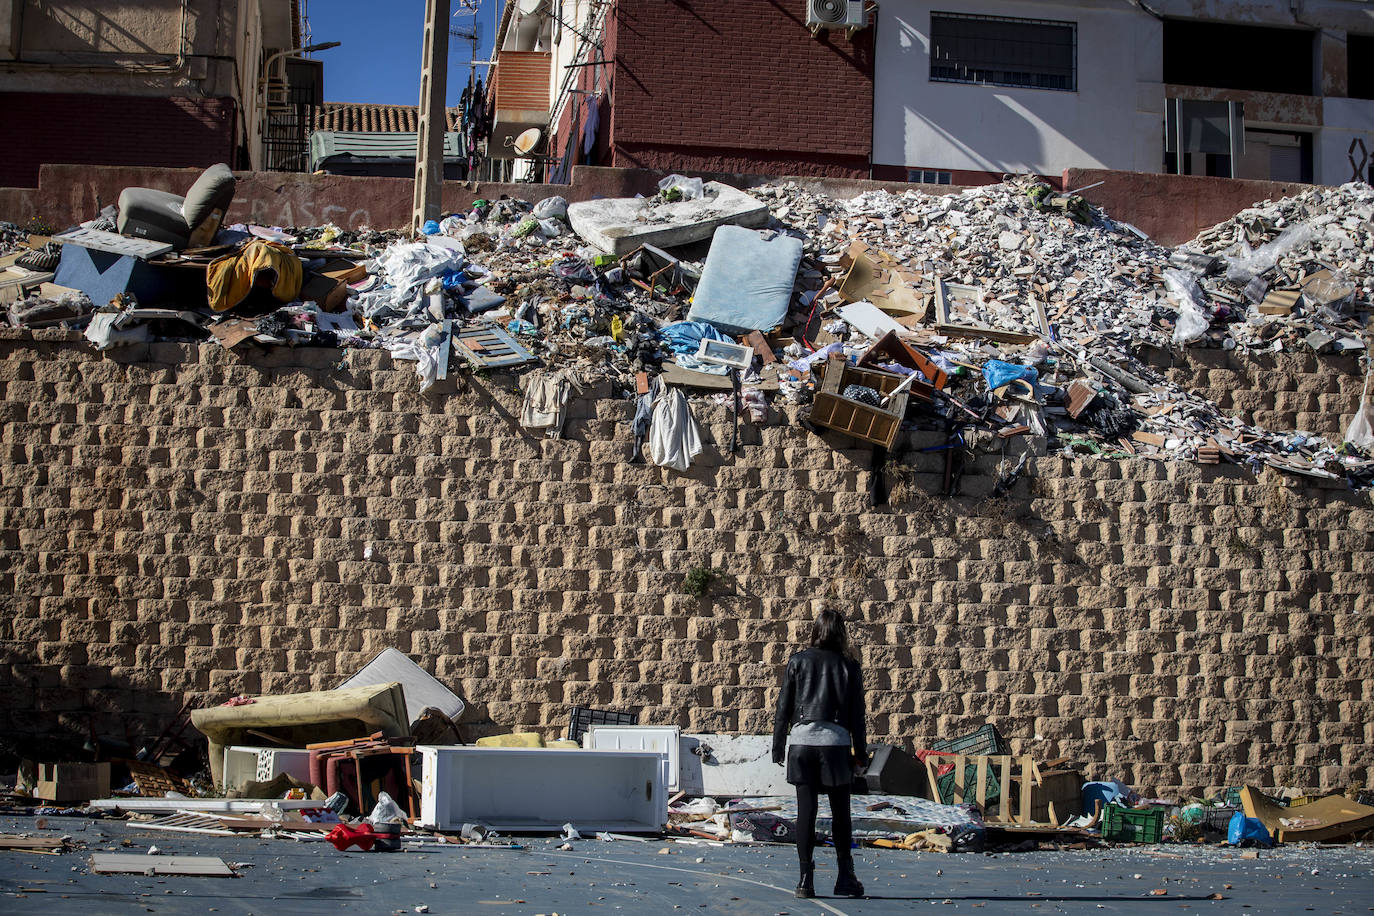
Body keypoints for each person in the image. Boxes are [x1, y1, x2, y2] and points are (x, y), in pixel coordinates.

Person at [771, 609, 867, 899]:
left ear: (815, 631)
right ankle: (844, 876)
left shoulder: (798, 661)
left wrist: (778, 746)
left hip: (801, 744)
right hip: (835, 745)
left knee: (806, 814)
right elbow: (858, 716)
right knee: (841, 815)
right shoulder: (850, 666)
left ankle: (804, 879)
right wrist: (860, 753)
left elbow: (783, 707)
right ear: (841, 633)